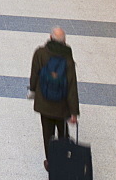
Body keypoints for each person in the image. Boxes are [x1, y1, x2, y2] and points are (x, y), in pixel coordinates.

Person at [29, 27, 79, 171]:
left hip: (44, 103)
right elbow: (71, 87)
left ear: (50, 38)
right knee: (63, 133)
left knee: (47, 134)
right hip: (62, 106)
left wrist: (33, 90)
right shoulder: (67, 58)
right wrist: (74, 112)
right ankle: (63, 161)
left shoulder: (40, 53)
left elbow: (34, 75)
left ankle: (51, 163)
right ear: (64, 41)